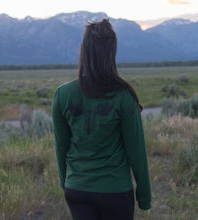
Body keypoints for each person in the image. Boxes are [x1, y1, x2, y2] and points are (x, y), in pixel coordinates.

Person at [52, 18, 151, 220]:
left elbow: (61, 147)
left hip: (77, 189)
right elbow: (137, 152)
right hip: (115, 191)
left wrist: (67, 183)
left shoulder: (62, 95)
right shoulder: (124, 96)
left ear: (84, 51)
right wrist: (144, 196)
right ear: (111, 52)